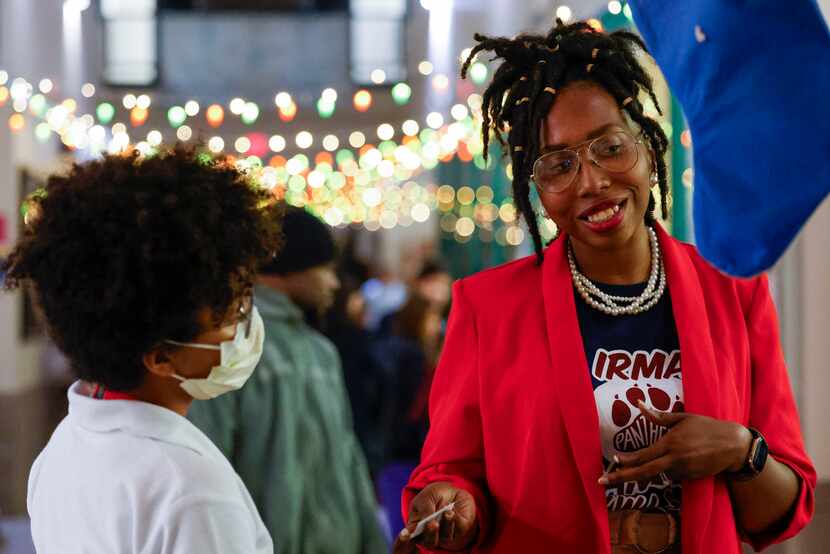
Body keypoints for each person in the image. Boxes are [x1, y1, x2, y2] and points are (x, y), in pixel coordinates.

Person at [393, 21, 816, 554]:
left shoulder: (733, 288)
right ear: (537, 188)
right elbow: (451, 471)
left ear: (646, 142)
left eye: (609, 147)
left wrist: (740, 451)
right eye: (559, 164)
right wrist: (451, 503)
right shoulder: (489, 307)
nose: (591, 181)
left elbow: (782, 511)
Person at [6, 147, 280, 554]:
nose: (244, 323)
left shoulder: (64, 447)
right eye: (229, 312)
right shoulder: (191, 491)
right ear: (161, 357)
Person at [188, 206, 388, 554]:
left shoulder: (321, 351)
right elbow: (208, 467)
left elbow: (347, 458)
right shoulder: (232, 347)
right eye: (324, 268)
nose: (334, 282)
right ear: (284, 268)